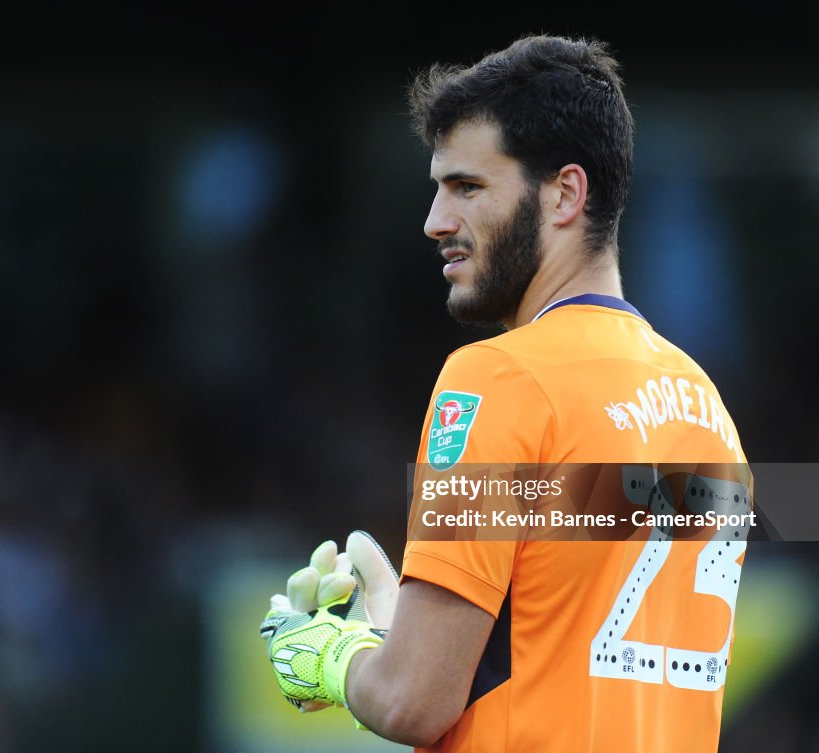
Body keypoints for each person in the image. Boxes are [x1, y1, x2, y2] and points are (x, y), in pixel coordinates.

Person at [263, 34, 750, 752]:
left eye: (468, 187)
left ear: (564, 193)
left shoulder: (499, 378)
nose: (435, 221)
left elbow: (412, 700)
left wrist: (331, 655)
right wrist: (404, 629)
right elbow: (561, 639)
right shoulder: (708, 406)